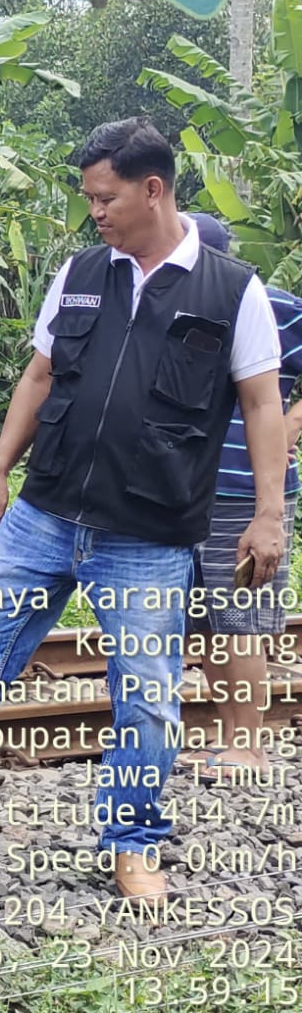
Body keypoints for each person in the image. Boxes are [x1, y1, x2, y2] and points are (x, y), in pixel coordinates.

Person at [0, 118, 287, 906]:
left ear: (152, 189)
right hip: (46, 514)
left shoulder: (232, 290)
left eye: (105, 196)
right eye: (90, 197)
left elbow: (262, 404)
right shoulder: (83, 271)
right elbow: (39, 376)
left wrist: (268, 515)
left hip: (148, 533)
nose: (95, 211)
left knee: (147, 696)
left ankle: (133, 843)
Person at [182, 213, 302, 784]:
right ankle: (232, 738)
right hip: (182, 489)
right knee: (204, 623)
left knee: (240, 617)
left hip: (243, 489)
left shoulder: (271, 304)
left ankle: (249, 747)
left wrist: (287, 429)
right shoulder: (164, 303)